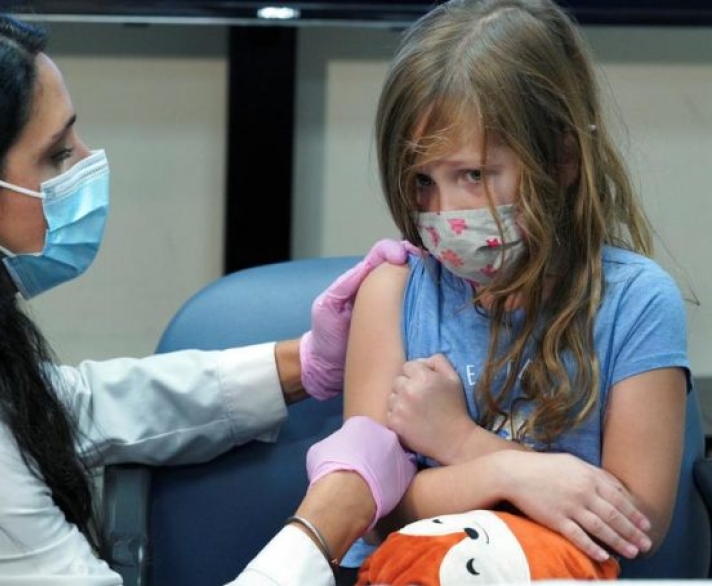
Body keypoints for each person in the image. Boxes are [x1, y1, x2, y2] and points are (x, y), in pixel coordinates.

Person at [0, 2, 413, 584]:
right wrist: (326, 522)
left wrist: (306, 363)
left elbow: (60, 406)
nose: (87, 164)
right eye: (56, 155)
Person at [242, 0, 691, 584]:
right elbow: (371, 511)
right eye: (423, 181)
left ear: (559, 161)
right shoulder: (392, 293)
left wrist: (458, 440)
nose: (443, 212)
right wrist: (511, 475)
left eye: (474, 176)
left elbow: (633, 524)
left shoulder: (637, 302)